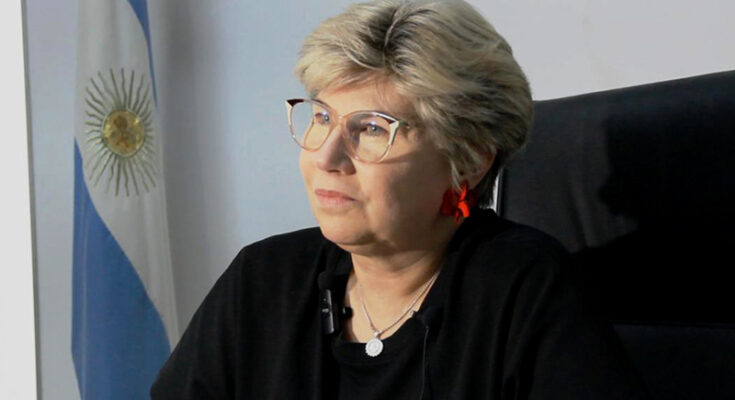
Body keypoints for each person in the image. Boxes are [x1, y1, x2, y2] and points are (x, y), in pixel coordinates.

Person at [151, 1, 651, 398]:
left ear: (468, 161)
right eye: (321, 117)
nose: (326, 156)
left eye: (371, 128)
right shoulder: (262, 280)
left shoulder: (523, 291)